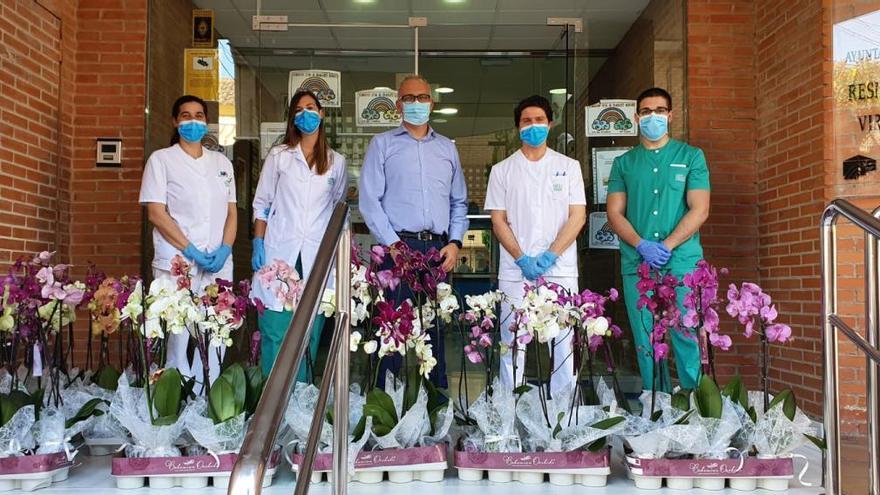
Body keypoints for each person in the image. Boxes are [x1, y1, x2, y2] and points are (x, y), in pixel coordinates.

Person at [359, 74, 469, 389]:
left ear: (432, 103)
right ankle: (386, 412)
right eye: (409, 98)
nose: (417, 103)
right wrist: (392, 244)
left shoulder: (448, 148)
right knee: (391, 332)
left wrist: (455, 242)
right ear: (398, 105)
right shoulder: (382, 145)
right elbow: (369, 202)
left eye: (422, 97)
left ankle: (435, 409)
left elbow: (459, 202)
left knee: (434, 333)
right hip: (397, 251)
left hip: (437, 252)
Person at [606, 87, 711, 392]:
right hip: (637, 263)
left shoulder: (691, 156)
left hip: (681, 261)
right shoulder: (624, 163)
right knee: (645, 338)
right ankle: (657, 406)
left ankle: (694, 405)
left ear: (671, 115)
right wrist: (641, 244)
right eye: (647, 112)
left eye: (660, 111)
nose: (654, 117)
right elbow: (615, 213)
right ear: (637, 117)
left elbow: (700, 208)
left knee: (686, 332)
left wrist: (667, 245)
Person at [484, 95, 587, 395]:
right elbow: (498, 220)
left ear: (550, 124)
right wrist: (521, 259)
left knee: (564, 343)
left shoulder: (569, 166)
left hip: (560, 269)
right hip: (516, 271)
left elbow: (577, 216)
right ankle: (510, 411)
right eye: (526, 121)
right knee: (512, 343)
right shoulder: (502, 170)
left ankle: (561, 414)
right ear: (518, 127)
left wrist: (551, 255)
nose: (533, 126)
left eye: (539, 120)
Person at [139, 94, 237, 386]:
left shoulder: (221, 163)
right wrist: (190, 249)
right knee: (178, 335)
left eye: (198, 115)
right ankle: (174, 398)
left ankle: (209, 398)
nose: (192, 121)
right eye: (185, 115)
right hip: (177, 260)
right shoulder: (161, 160)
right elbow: (156, 213)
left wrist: (226, 249)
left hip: (217, 261)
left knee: (217, 334)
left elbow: (232, 212)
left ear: (206, 122)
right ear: (175, 121)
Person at [251, 90, 348, 380]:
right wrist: (258, 241)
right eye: (299, 109)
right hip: (280, 254)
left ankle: (301, 410)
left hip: (317, 258)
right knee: (275, 331)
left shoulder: (336, 162)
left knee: (309, 335)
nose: (305, 113)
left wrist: (342, 256)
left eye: (311, 108)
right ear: (293, 118)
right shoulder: (280, 156)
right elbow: (262, 203)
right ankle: (271, 414)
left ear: (322, 114)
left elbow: (338, 210)